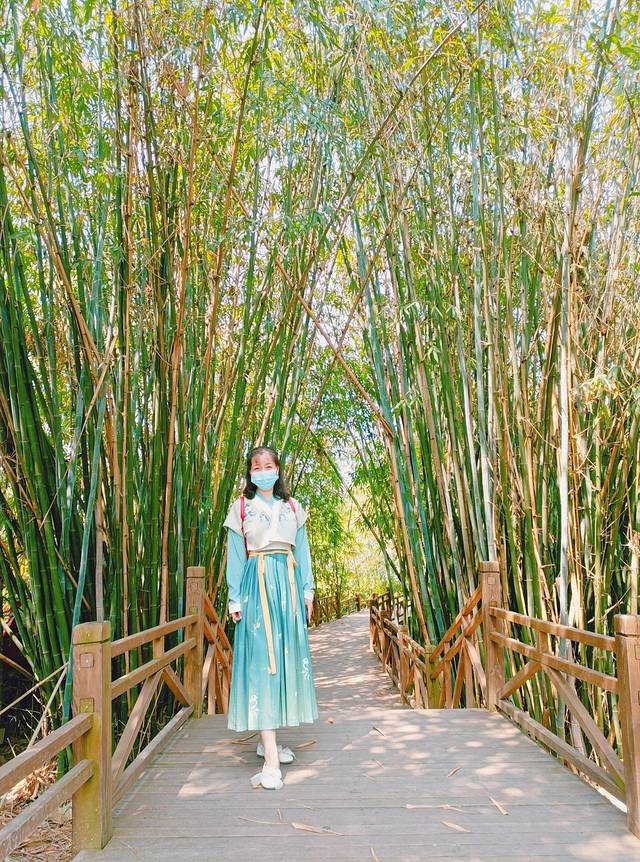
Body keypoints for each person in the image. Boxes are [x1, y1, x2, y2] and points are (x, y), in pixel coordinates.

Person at [222, 445, 319, 789]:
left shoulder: (292, 507)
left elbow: (302, 552)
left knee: (283, 662)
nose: (263, 471)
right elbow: (236, 556)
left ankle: (269, 744)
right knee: (263, 665)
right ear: (249, 472)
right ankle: (271, 762)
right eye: (256, 466)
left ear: (278, 470)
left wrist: (307, 592)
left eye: (269, 466)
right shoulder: (241, 507)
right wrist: (234, 598)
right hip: (257, 585)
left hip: (288, 587)